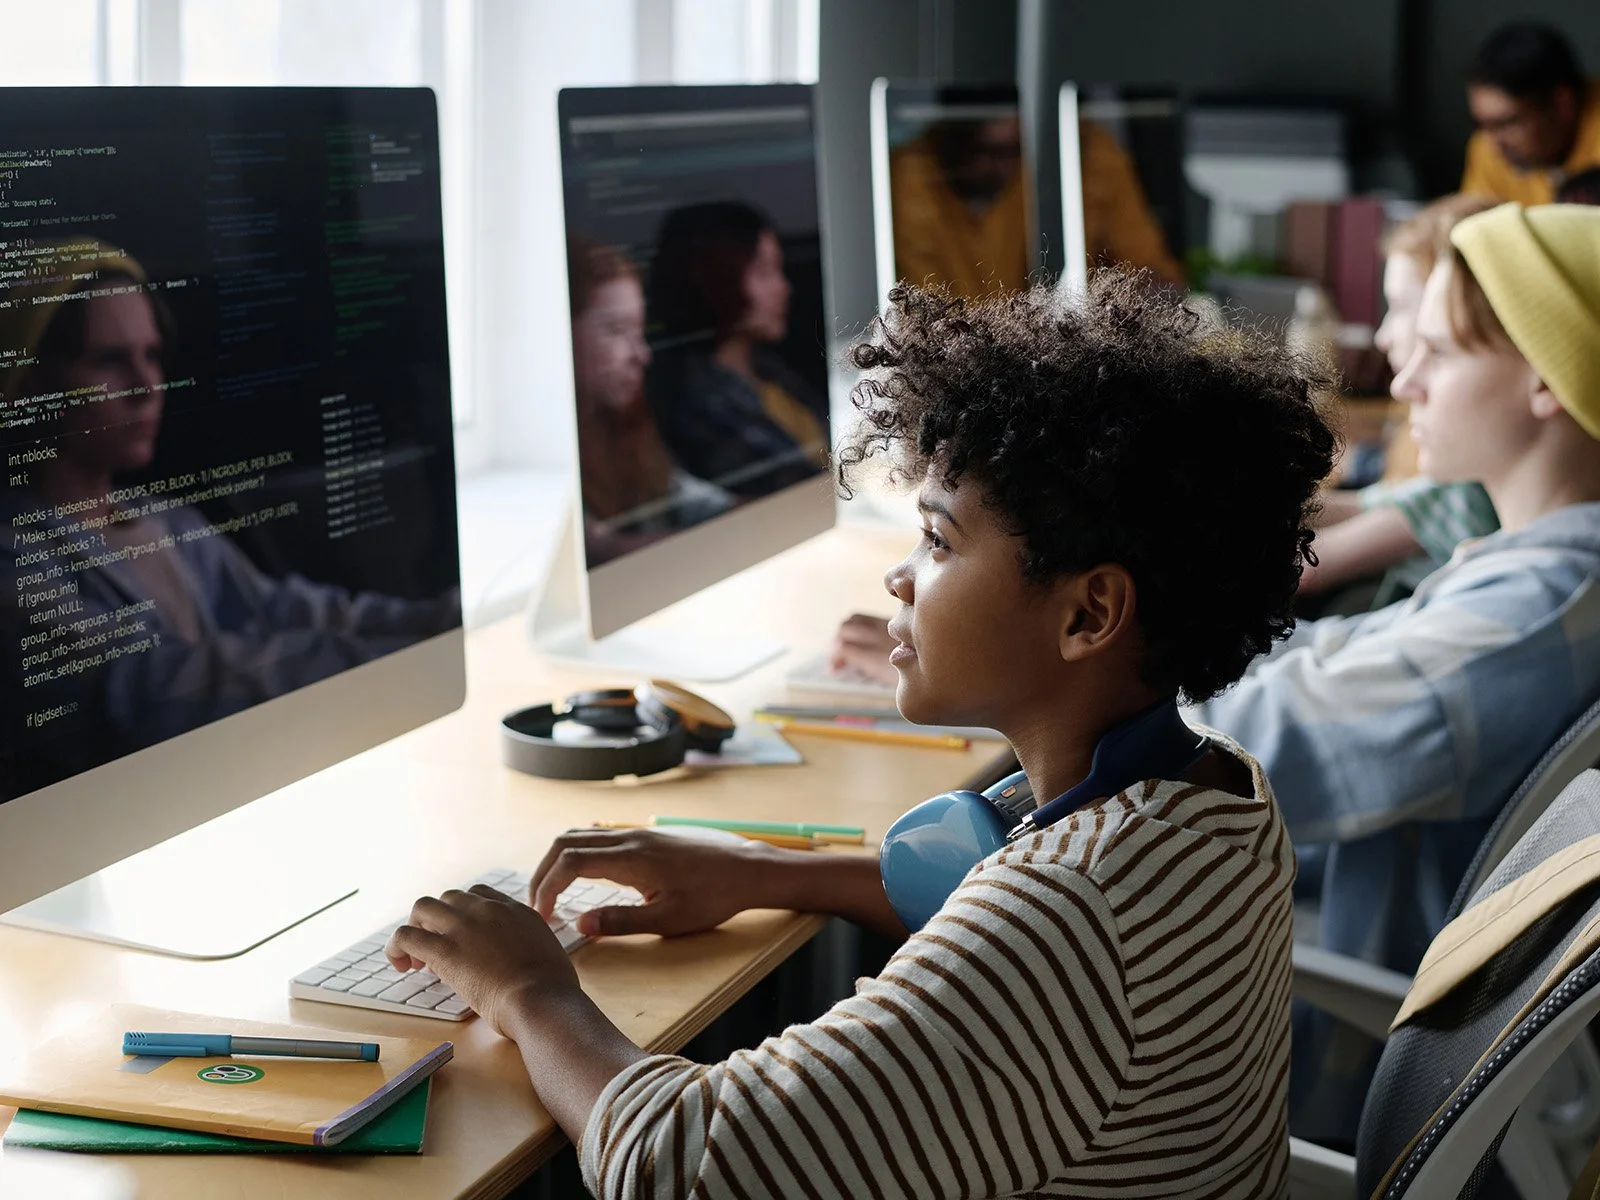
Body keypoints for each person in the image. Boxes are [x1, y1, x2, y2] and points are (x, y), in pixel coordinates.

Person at [382, 271, 1339, 1198]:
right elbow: (987, 898)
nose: (900, 577)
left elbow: (678, 1163)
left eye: (939, 541)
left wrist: (529, 989)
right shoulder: (1213, 794)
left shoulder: (1067, 921)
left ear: (1089, 615)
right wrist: (765, 872)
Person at [1195, 202, 1600, 1140]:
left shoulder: (1527, 615)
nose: (1404, 375)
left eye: (1441, 353)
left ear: (1546, 380)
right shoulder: (1538, 567)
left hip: (1322, 1027)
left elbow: (1234, 760)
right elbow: (1335, 658)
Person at [0, 243, 457, 799]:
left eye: (152, 355)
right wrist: (394, 660)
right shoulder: (15, 562)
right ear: (30, 382)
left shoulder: (165, 521)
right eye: (109, 360)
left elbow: (278, 608)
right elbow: (145, 691)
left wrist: (443, 621)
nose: (147, 387)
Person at [1298, 194, 1500, 600]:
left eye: (1402, 306)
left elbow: (1308, 568)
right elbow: (1380, 502)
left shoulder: (1469, 477)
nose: (1383, 335)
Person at [566, 234, 732, 568]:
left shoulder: (626, 427)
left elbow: (695, 501)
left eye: (639, 330)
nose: (641, 354)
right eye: (615, 330)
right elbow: (602, 551)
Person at [889, 113, 1184, 298]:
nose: (987, 165)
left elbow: (1153, 274)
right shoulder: (910, 172)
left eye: (1007, 153)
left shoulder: (1088, 155)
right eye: (972, 149)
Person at [646, 202, 827, 500]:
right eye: (763, 272)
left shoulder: (770, 369)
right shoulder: (696, 402)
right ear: (719, 278)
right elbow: (791, 487)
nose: (783, 288)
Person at [1460, 21, 1600, 206]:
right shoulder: (1487, 146)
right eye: (1483, 125)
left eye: (1508, 123)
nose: (1492, 144)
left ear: (1562, 103)